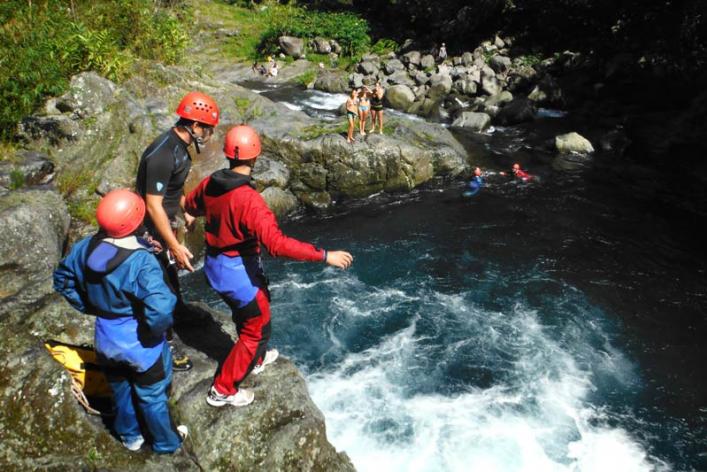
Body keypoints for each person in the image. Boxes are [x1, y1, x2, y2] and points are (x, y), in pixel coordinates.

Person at [185, 126, 353, 408]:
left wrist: (190, 218)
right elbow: (277, 245)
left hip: (214, 265)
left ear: (229, 154)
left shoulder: (211, 182)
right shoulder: (250, 201)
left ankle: (256, 359)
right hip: (237, 272)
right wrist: (325, 256)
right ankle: (223, 389)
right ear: (255, 157)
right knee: (256, 328)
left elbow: (191, 205)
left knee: (246, 314)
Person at [53, 189, 187, 453]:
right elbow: (161, 307)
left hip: (106, 337)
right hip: (140, 343)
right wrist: (152, 330)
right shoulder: (141, 262)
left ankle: (130, 436)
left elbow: (62, 280)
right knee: (151, 396)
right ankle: (166, 443)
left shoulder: (85, 247)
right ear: (136, 220)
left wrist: (88, 305)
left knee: (120, 388)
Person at [135, 91, 220, 372]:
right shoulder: (163, 153)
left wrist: (186, 208)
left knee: (170, 280)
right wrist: (173, 244)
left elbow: (174, 186)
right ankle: (163, 347)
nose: (208, 134)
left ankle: (178, 314)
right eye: (206, 128)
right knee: (159, 287)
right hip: (151, 231)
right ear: (194, 125)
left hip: (167, 222)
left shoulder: (180, 147)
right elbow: (152, 204)